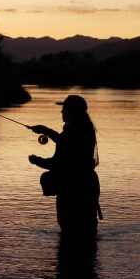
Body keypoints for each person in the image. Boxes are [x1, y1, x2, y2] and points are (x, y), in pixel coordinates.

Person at [28, 94, 101, 236]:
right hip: (88, 185)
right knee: (88, 231)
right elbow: (65, 143)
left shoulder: (73, 131)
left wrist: (36, 160)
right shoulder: (85, 128)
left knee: (70, 230)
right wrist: (46, 130)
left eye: (64, 109)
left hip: (72, 189)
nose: (61, 112)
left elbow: (56, 163)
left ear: (72, 112)